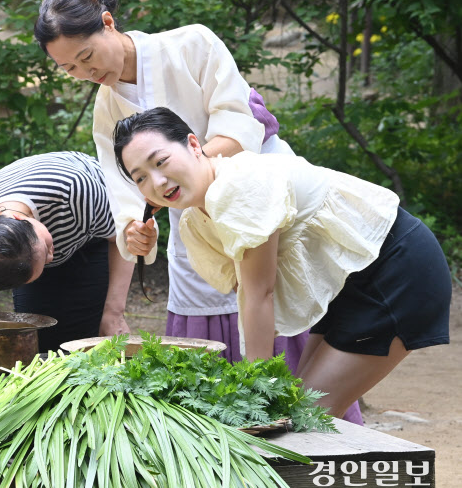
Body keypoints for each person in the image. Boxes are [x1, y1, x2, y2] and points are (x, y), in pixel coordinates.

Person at [32, 0, 371, 424]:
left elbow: (238, 119)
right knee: (204, 304)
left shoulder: (192, 44)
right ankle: (223, 440)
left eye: (86, 55)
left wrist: (188, 178)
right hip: (189, 213)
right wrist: (137, 225)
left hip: (262, 189)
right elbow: (123, 187)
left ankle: (292, 425)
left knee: (272, 298)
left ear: (108, 22)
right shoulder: (106, 108)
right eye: (68, 68)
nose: (84, 71)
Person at [113, 107, 451, 418]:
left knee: (303, 418)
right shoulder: (194, 221)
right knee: (296, 410)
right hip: (346, 286)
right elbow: (243, 290)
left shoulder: (239, 184)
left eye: (160, 162)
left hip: (396, 269)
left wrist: (254, 387)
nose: (156, 182)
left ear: (193, 144)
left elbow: (260, 294)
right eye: (140, 177)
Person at [0, 151, 133, 352]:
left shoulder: (74, 191)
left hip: (93, 238)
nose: (52, 256)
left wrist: (114, 313)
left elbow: (124, 238)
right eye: (45, 260)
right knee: (40, 340)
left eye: (46, 249)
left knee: (83, 342)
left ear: (19, 218)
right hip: (28, 257)